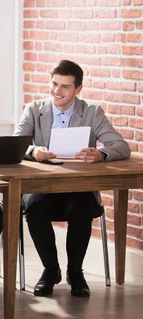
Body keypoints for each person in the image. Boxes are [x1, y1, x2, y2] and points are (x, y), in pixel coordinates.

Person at [14, 59, 131, 298]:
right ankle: (51, 270)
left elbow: (121, 146)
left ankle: (75, 272)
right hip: (43, 186)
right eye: (55, 84)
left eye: (65, 86)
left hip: (77, 186)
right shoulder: (34, 109)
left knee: (83, 208)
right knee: (33, 207)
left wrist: (101, 153)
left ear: (78, 89)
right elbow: (17, 143)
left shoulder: (91, 112)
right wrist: (33, 151)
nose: (57, 91)